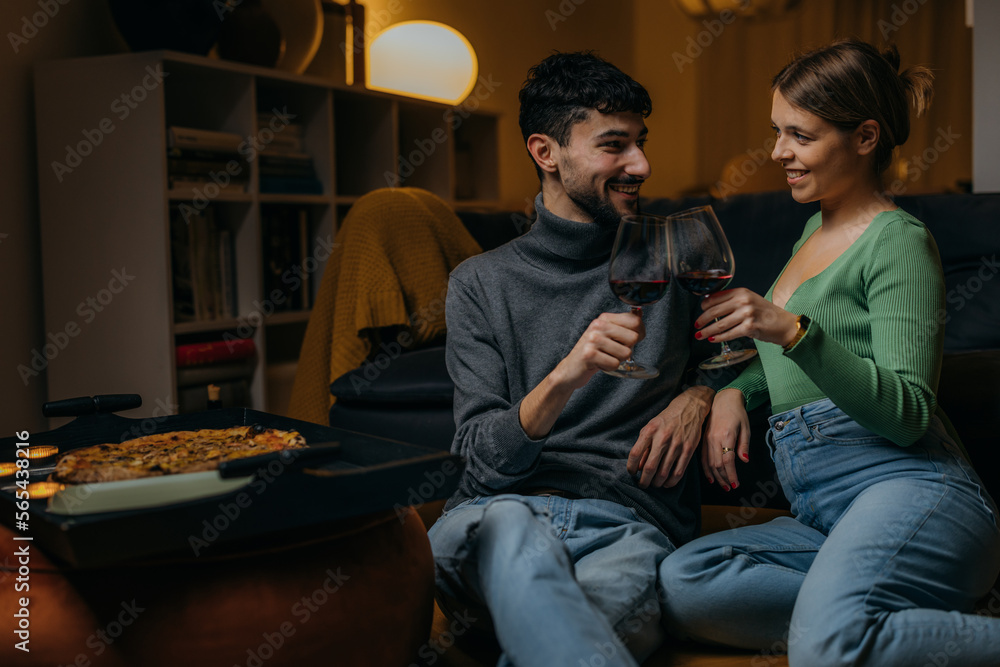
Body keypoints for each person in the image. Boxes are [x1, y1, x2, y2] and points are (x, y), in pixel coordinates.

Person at [659, 39, 1000, 666]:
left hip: (913, 493)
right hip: (825, 520)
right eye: (776, 131)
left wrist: (792, 330)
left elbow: (908, 413)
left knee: (826, 648)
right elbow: (792, 374)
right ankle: (881, 615)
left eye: (800, 135)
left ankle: (846, 628)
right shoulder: (813, 229)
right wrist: (736, 389)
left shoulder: (897, 241)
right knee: (685, 586)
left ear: (865, 136)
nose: (778, 152)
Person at [426, 51, 731, 667]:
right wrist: (570, 372)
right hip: (498, 513)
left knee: (585, 634)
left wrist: (701, 394)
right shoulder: (479, 283)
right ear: (546, 152)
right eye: (614, 145)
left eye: (641, 143)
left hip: (626, 527)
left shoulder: (676, 252)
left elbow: (747, 347)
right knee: (517, 538)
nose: (641, 165)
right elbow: (479, 460)